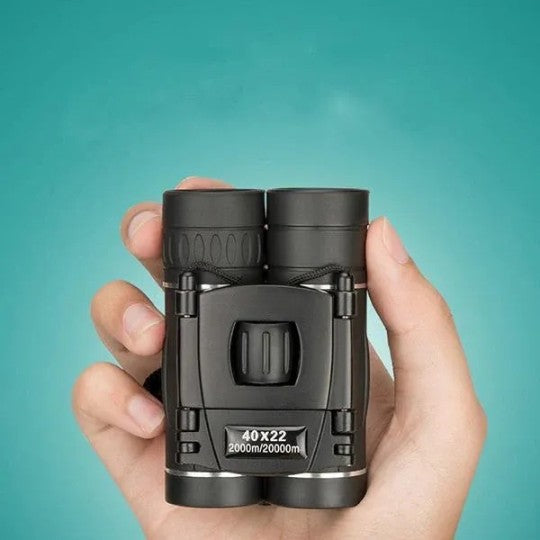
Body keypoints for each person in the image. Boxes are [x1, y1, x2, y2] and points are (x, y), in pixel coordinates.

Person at [72, 177, 486, 539]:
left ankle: (221, 473)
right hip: (319, 434)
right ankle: (222, 476)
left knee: (201, 213)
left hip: (271, 443)